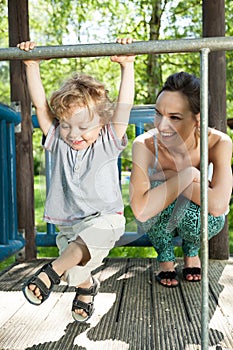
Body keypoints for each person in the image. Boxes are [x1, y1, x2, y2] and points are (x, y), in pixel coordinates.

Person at [17, 38, 135, 321]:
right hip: (70, 226)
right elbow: (41, 108)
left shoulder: (107, 140)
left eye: (84, 126)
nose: (74, 134)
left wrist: (127, 66)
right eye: (67, 125)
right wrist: (32, 66)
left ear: (102, 123)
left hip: (106, 218)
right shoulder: (57, 140)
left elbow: (124, 107)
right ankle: (87, 286)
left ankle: (50, 273)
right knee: (75, 271)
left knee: (69, 261)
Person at [130, 71, 232, 288]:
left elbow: (217, 206)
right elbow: (140, 209)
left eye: (174, 117)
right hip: (161, 218)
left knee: (208, 219)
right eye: (158, 114)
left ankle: (191, 250)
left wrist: (168, 181)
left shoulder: (218, 142)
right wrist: (188, 175)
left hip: (191, 214)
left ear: (198, 119)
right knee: (156, 201)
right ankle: (165, 258)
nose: (162, 125)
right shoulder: (144, 144)